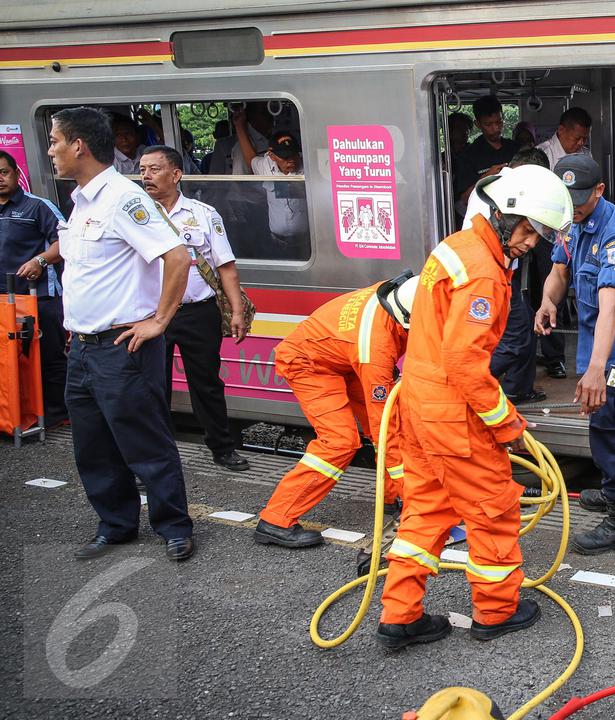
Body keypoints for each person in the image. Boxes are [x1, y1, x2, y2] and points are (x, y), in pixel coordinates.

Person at [377, 164, 573, 649]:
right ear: (505, 215)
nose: (531, 242)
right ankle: (496, 611)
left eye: (539, 233)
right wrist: (507, 424)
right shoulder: (485, 274)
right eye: (528, 229)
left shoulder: (458, 247)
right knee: (493, 510)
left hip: (420, 405)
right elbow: (464, 362)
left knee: (425, 510)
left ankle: (399, 616)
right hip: (451, 413)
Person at [48, 106, 195, 562]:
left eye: (54, 141)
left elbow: (177, 257)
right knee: (93, 447)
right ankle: (115, 525)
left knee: (145, 444)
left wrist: (159, 320)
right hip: (84, 347)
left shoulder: (121, 199)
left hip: (122, 346)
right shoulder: (82, 200)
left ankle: (174, 527)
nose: (50, 151)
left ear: (79, 146)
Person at [535, 155, 615, 555]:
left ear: (600, 190)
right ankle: (612, 491)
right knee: (599, 421)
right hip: (598, 346)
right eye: (568, 201)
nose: (574, 207)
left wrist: (596, 370)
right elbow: (559, 269)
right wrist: (547, 302)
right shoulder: (571, 223)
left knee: (609, 427)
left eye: (582, 200)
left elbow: (610, 308)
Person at [255, 274, 411, 548]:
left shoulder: (401, 296)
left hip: (342, 360)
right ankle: (276, 519)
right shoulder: (376, 347)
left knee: (397, 421)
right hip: (308, 364)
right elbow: (384, 428)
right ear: (407, 323)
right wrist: (417, 501)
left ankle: (391, 498)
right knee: (341, 442)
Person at [138, 145, 250, 472]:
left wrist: (237, 311)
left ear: (175, 174)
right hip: (149, 314)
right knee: (152, 385)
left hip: (196, 312)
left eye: (154, 169)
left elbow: (225, 266)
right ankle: (156, 456)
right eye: (142, 169)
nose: (146, 176)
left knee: (206, 383)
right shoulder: (135, 215)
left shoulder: (203, 214)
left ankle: (222, 447)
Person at [462, 147, 550, 404]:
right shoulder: (504, 189)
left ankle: (516, 388)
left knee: (522, 328)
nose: (532, 242)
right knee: (517, 335)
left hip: (501, 270)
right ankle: (474, 386)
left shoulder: (492, 184)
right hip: (489, 271)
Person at [3, 150, 68, 424]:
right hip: (3, 302)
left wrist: (39, 261)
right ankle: (18, 413)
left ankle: (58, 414)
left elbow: (65, 242)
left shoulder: (38, 206)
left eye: (3, 172)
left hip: (37, 297)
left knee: (49, 357)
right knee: (10, 361)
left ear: (17, 174)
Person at [528, 109, 593, 381]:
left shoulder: (585, 156)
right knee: (549, 294)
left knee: (580, 289)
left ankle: (587, 351)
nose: (580, 143)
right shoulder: (543, 156)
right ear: (562, 130)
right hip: (547, 236)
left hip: (577, 232)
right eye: (576, 137)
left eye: (584, 139)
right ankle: (553, 357)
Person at [233, 111, 309, 260]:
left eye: (293, 155)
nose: (291, 161)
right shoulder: (266, 166)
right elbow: (251, 160)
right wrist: (239, 126)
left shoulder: (307, 167)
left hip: (306, 243)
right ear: (272, 156)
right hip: (277, 243)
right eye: (285, 157)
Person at [454, 95, 519, 203]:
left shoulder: (515, 148)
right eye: (488, 124)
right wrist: (486, 177)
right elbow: (465, 199)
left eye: (499, 122)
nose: (495, 128)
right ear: (478, 124)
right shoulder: (467, 156)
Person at [209, 102, 271, 175]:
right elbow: (239, 180)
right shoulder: (240, 147)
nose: (270, 117)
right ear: (251, 116)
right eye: (263, 112)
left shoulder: (269, 140)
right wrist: (240, 126)